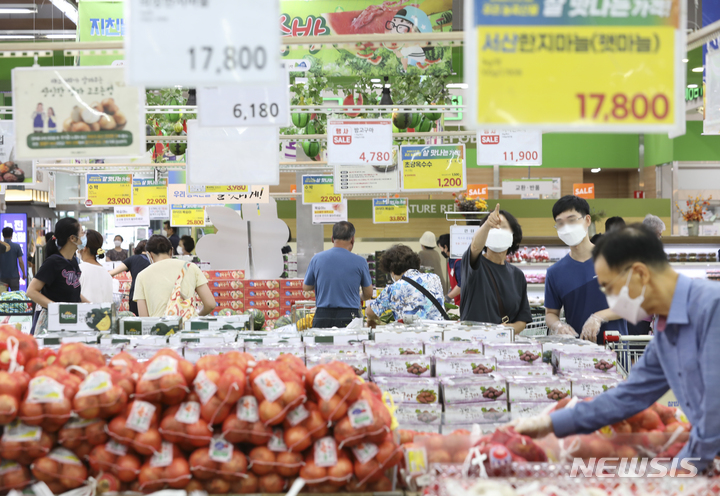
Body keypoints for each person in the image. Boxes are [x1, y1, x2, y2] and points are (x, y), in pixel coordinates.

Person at [514, 224, 720, 472]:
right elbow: (628, 395)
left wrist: (682, 468)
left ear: (641, 274)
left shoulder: (712, 309)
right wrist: (551, 422)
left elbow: (715, 412)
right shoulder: (666, 332)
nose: (611, 301)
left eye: (610, 288)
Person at [545, 195, 627, 343]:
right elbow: (551, 313)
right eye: (560, 223)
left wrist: (598, 317)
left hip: (615, 351)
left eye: (572, 220)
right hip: (577, 354)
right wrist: (557, 325)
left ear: (587, 220)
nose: (566, 227)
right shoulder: (554, 272)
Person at [460, 204, 532, 334]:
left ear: (512, 235)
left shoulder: (517, 275)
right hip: (472, 345)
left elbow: (522, 320)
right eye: (493, 227)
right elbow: (475, 247)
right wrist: (487, 224)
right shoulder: (474, 264)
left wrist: (506, 329)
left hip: (502, 347)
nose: (497, 230)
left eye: (503, 227)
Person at [303, 221, 373, 328]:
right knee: (349, 344)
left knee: (322, 344)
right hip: (350, 316)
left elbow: (306, 287)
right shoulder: (360, 261)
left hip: (322, 315)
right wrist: (358, 296)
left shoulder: (317, 259)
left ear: (332, 238)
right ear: (352, 239)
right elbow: (368, 294)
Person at [27, 218, 87, 334]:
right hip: (52, 324)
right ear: (72, 238)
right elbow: (31, 291)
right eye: (82, 232)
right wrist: (57, 308)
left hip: (70, 319)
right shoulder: (52, 262)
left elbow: (72, 291)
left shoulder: (73, 261)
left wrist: (91, 306)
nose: (84, 236)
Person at [133, 235, 215, 318]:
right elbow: (210, 304)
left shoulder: (142, 276)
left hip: (158, 328)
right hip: (187, 328)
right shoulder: (191, 267)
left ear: (150, 255)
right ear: (171, 251)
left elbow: (144, 317)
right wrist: (195, 316)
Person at [366, 244, 445, 325]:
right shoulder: (434, 278)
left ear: (392, 271)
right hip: (437, 334)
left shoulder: (394, 289)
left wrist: (372, 319)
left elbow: (369, 312)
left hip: (410, 336)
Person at [109, 240, 151, 316]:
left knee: (135, 324)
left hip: (135, 297)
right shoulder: (154, 260)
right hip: (151, 297)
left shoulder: (132, 259)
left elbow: (112, 273)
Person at [78, 230, 113, 304]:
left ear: (84, 247)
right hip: (104, 314)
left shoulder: (79, 270)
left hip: (83, 314)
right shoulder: (106, 273)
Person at [437, 234, 461, 305]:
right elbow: (455, 279)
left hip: (464, 300)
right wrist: (451, 289)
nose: (441, 251)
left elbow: (462, 283)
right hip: (457, 300)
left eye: (441, 248)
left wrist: (448, 296)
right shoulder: (450, 260)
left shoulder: (459, 262)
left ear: (446, 247)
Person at [0, 227, 25, 291]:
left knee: (2, 298)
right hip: (14, 277)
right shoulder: (16, 246)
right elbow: (21, 261)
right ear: (12, 235)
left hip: (2, 277)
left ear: (3, 235)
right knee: (15, 297)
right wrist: (24, 274)